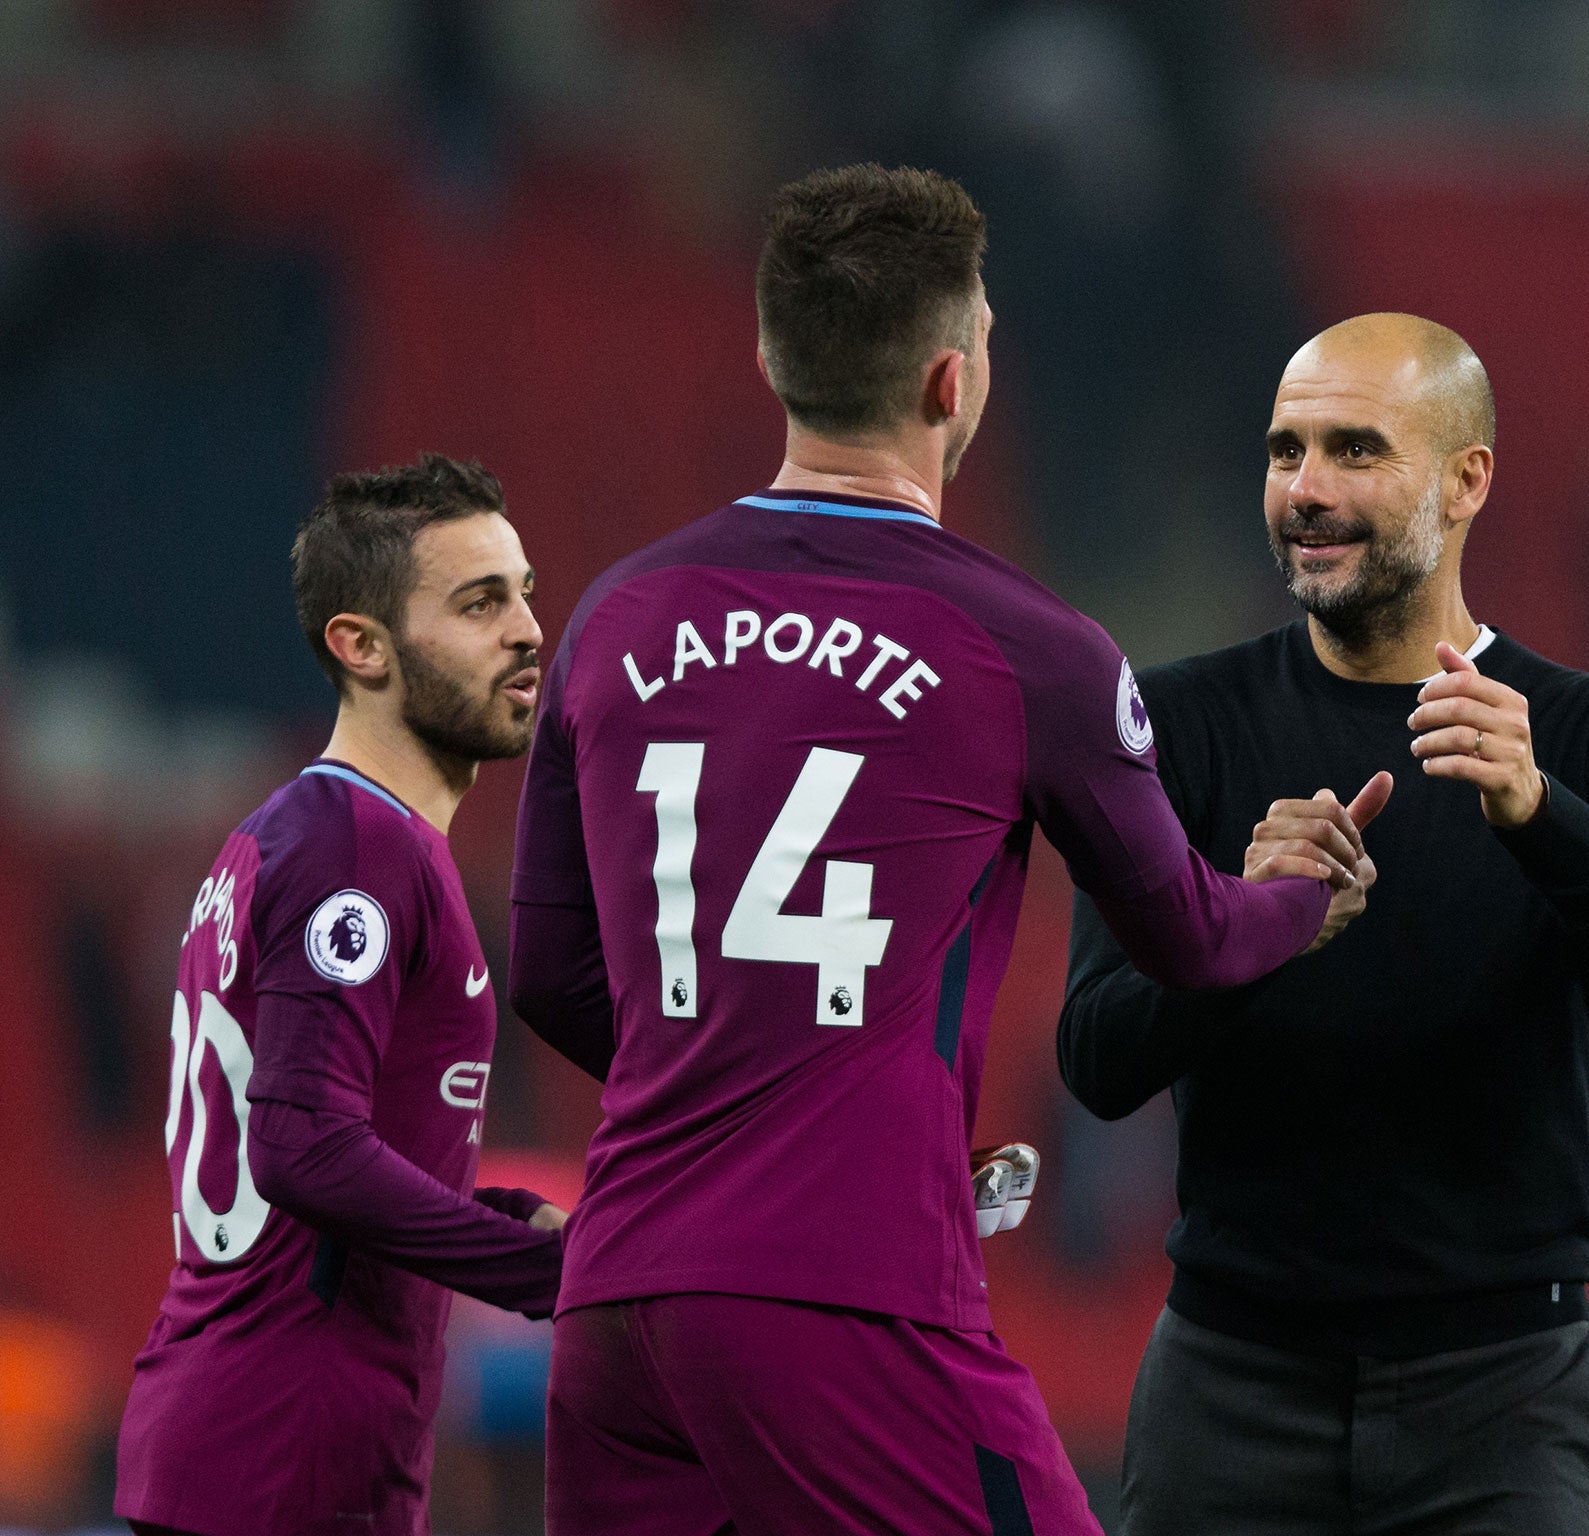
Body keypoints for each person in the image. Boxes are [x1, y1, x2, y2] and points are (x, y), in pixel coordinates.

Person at [508, 164, 1375, 1536]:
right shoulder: (1028, 650)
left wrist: (790, 1104)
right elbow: (1194, 941)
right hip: (841, 1294)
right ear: (954, 379)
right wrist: (1299, 897)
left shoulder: (615, 619)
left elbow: (553, 975)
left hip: (618, 1304)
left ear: (770, 359)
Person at [1059, 313, 1589, 1535]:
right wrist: (1242, 926)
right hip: (1231, 1387)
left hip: (1503, 1398)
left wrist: (1543, 814)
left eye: (1354, 450)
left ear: (1465, 477)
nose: (1305, 490)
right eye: (1285, 451)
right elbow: (1096, 1059)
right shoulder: (1176, 723)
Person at [114, 455, 567, 1536]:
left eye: (523, 593)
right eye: (477, 603)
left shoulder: (308, 838)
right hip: (282, 1455)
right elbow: (303, 1146)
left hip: (260, 1443)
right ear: (360, 645)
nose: (525, 631)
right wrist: (540, 1270)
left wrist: (504, 1214)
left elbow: (326, 1151)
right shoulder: (355, 846)